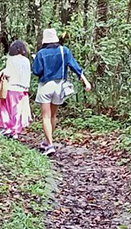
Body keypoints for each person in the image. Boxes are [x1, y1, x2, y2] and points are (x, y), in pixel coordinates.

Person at [32, 28, 91, 156]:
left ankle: (50, 145)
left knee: (45, 117)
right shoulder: (64, 51)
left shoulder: (41, 53)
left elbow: (36, 71)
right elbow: (75, 67)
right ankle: (48, 142)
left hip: (45, 86)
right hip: (59, 87)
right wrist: (86, 82)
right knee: (53, 116)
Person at [0, 40, 32, 139]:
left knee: (7, 108)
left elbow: (8, 73)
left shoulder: (11, 60)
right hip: (22, 89)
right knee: (17, 110)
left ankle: (8, 128)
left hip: (11, 87)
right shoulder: (26, 61)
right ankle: (16, 131)